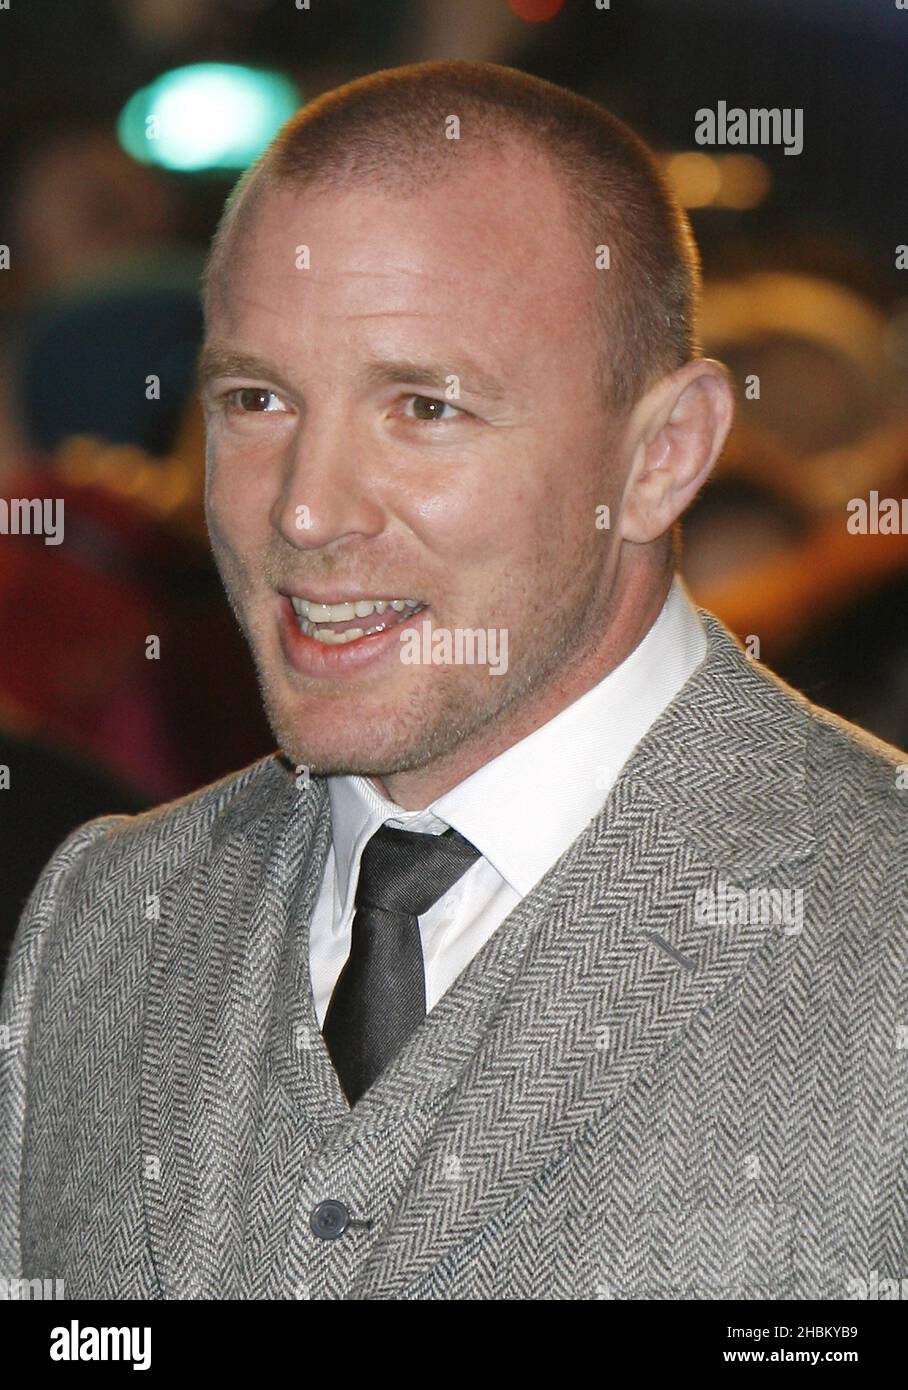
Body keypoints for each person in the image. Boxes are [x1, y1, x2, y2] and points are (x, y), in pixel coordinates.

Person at [2, 60, 905, 1302]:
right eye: (255, 399)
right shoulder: (103, 915)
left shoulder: (879, 921)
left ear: (662, 455)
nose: (305, 508)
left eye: (423, 407)